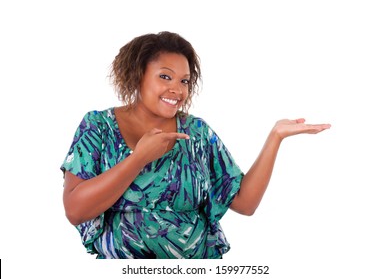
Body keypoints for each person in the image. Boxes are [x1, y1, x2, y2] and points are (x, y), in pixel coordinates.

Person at [60, 31, 331, 259]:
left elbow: (245, 203)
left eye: (184, 80)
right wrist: (138, 158)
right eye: (165, 77)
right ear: (137, 74)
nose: (177, 89)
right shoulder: (99, 126)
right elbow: (75, 210)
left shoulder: (197, 133)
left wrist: (275, 137)